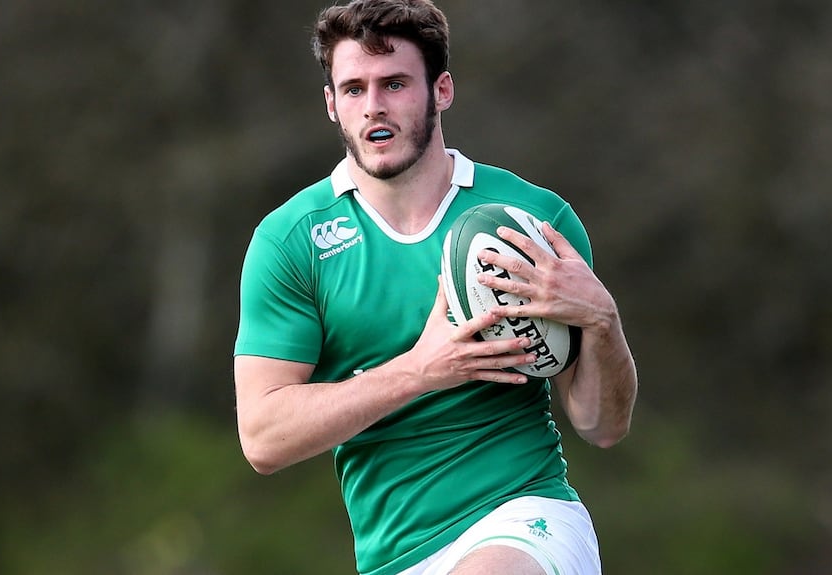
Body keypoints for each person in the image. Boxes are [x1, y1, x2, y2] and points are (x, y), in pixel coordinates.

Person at [233, 1, 638, 573]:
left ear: (441, 90)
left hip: (524, 517)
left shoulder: (531, 221)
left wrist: (603, 321)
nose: (374, 105)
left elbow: (602, 426)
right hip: (392, 555)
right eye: (353, 88)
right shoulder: (291, 242)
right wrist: (422, 369)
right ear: (331, 104)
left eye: (394, 83)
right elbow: (264, 438)